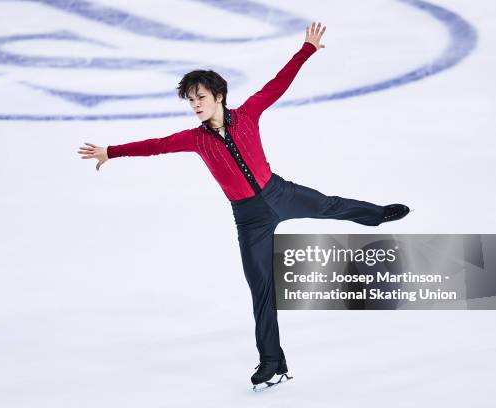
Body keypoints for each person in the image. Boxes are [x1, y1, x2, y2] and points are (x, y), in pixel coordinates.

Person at [77, 22, 410, 390]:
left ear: (218, 95)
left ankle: (377, 215)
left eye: (200, 97)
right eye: (190, 100)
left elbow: (276, 85)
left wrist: (306, 50)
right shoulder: (193, 139)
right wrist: (112, 151)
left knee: (329, 205)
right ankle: (272, 362)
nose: (195, 105)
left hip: (279, 193)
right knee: (262, 289)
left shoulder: (249, 113)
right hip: (249, 219)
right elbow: (155, 144)